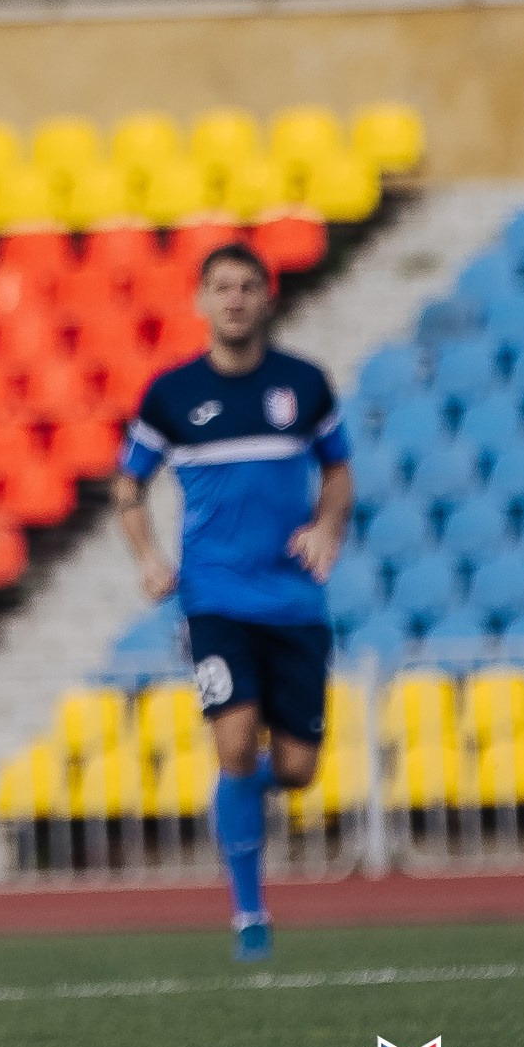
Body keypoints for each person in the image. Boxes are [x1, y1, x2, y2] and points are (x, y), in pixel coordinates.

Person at [111, 241, 354, 962]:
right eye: (221, 286)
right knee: (234, 741)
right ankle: (248, 912)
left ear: (267, 297)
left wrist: (328, 525)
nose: (235, 298)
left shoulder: (303, 385)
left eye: (248, 285)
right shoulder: (171, 394)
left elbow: (337, 471)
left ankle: (242, 806)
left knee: (297, 769)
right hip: (213, 598)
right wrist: (149, 556)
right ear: (200, 299)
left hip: (294, 603)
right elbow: (127, 486)